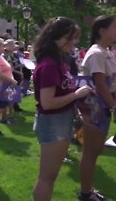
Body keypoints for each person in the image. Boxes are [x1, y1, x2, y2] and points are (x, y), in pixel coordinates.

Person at [31, 17, 93, 201]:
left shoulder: (59, 61)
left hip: (60, 121)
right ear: (55, 37)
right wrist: (77, 94)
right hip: (53, 122)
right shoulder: (49, 65)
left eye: (75, 38)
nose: (74, 43)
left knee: (50, 176)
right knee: (47, 177)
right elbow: (48, 102)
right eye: (70, 38)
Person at [78, 15, 116, 201]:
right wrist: (114, 105)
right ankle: (85, 193)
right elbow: (100, 85)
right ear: (102, 30)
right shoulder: (97, 54)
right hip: (95, 108)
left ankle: (88, 190)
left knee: (95, 151)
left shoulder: (106, 52)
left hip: (103, 107)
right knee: (90, 152)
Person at [0, 37, 18, 136]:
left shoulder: (0, 56)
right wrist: (11, 80)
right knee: (1, 107)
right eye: (2, 45)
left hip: (6, 84)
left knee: (0, 106)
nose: (4, 47)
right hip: (1, 85)